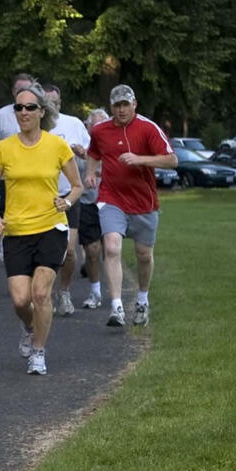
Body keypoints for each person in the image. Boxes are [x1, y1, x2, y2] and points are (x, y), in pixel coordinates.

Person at [0, 81, 82, 375]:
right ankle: (29, 326)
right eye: (18, 107)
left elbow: (76, 186)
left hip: (51, 227)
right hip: (16, 230)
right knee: (20, 299)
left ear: (42, 112)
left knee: (40, 294)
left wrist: (66, 201)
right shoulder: (4, 148)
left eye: (30, 107)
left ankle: (38, 352)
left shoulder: (57, 145)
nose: (23, 112)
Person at [85, 85, 177, 327]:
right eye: (117, 105)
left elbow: (172, 160)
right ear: (111, 107)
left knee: (144, 255)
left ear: (134, 104)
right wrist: (91, 173)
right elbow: (93, 153)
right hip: (111, 198)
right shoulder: (100, 130)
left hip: (144, 201)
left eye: (126, 104)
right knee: (112, 247)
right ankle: (116, 307)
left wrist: (140, 159)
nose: (122, 109)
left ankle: (142, 300)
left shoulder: (148, 128)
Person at [40, 84, 91, 316]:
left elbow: (93, 154)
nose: (54, 106)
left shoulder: (74, 124)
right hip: (42, 197)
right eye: (49, 102)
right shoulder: (36, 125)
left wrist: (83, 154)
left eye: (57, 102)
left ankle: (65, 291)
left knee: (69, 251)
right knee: (43, 250)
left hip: (70, 194)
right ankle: (43, 293)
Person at [0, 72, 35, 262]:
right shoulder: (2, 115)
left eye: (27, 89)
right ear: (13, 91)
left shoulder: (37, 113)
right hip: (5, 176)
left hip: (30, 175)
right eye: (19, 89)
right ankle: (0, 242)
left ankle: (24, 248)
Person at [77, 108, 110, 309]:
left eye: (101, 125)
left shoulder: (111, 144)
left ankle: (114, 289)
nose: (97, 129)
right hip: (87, 201)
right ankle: (95, 291)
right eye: (94, 126)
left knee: (111, 248)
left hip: (110, 201)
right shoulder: (80, 147)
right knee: (91, 249)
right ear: (88, 128)